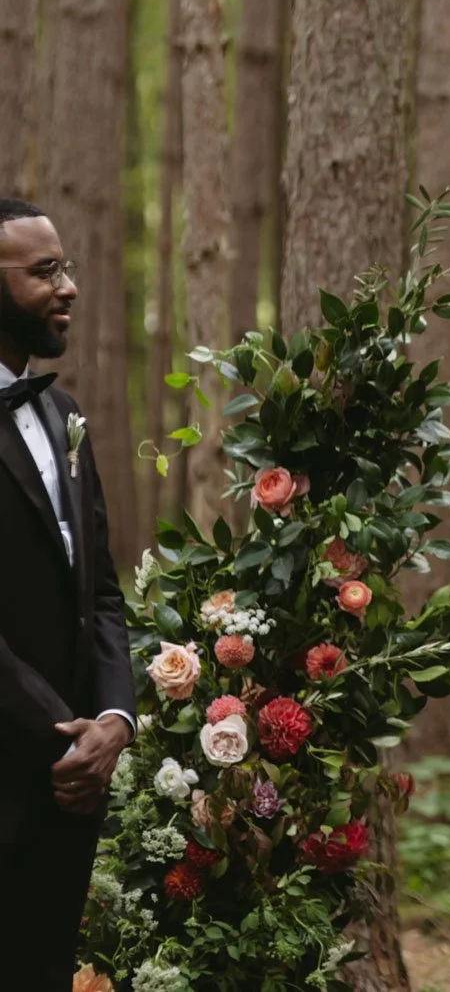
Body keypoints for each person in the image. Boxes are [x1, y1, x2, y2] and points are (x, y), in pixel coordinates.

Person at [0, 198, 135, 989]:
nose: (69, 287)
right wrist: (61, 738)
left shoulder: (65, 412)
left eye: (68, 267)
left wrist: (115, 720)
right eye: (44, 271)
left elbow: (104, 590)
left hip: (71, 790)